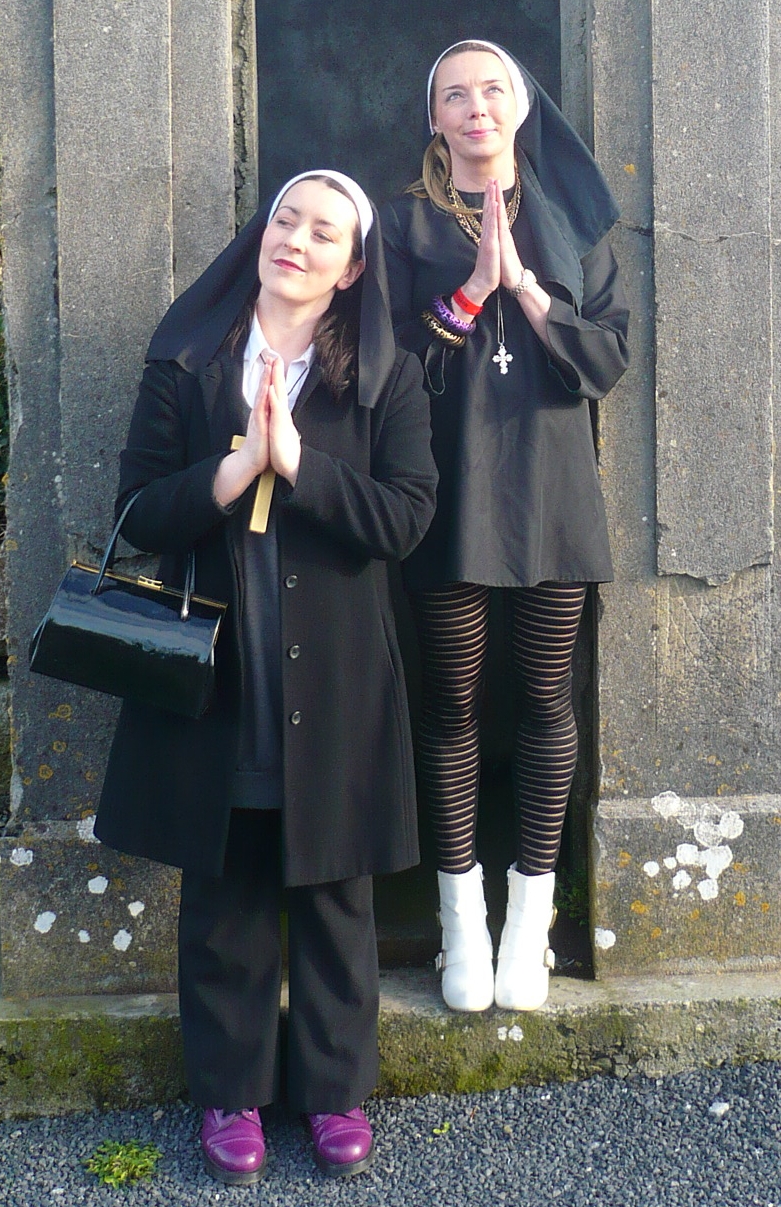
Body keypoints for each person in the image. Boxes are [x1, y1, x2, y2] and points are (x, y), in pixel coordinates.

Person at [94, 170, 437, 1184]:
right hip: (221, 671)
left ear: (354, 266)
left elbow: (407, 517)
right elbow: (138, 514)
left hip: (333, 671)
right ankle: (230, 1093)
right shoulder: (189, 356)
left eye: (324, 232)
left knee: (336, 889)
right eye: (286, 219)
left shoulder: (386, 371)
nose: (296, 240)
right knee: (229, 887)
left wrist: (302, 465)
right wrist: (231, 473)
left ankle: (335, 1093)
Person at [380, 41, 629, 1014]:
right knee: (450, 699)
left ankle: (529, 923)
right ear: (433, 118)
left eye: (492, 90)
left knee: (546, 695)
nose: (475, 106)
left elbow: (606, 357)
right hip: (447, 489)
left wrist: (525, 288)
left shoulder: (577, 220)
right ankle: (462, 926)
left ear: (520, 107)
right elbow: (390, 373)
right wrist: (471, 291)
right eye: (455, 94)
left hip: (552, 488)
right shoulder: (400, 226)